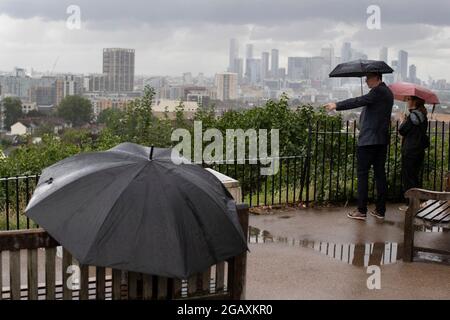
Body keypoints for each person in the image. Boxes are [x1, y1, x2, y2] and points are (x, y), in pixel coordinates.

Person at [325, 73, 393, 220]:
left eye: (368, 77)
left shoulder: (377, 91)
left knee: (362, 175)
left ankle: (361, 210)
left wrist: (336, 105)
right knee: (380, 174)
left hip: (369, 141)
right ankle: (380, 210)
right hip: (381, 140)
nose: (366, 80)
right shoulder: (388, 93)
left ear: (376, 77)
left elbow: (357, 101)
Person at [399, 96, 429, 208]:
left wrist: (403, 121)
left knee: (408, 178)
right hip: (419, 150)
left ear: (414, 102)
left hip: (410, 150)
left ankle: (410, 205)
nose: (407, 101)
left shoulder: (412, 117)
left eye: (408, 100)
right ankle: (417, 202)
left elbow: (402, 130)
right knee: (415, 177)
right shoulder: (423, 116)